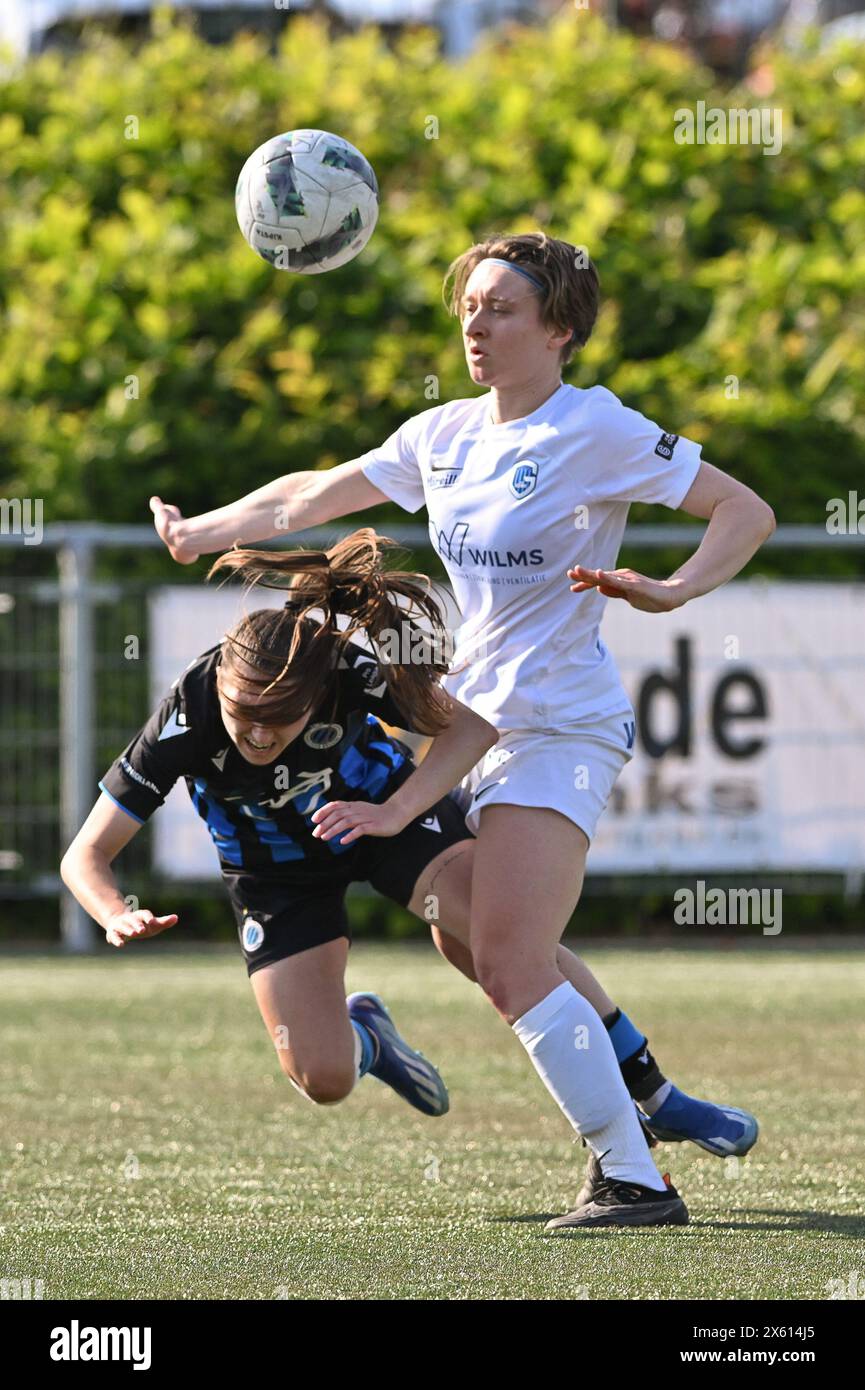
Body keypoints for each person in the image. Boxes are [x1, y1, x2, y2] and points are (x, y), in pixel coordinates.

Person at [149, 230, 775, 1230]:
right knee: (479, 946)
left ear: (559, 329)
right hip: (465, 726)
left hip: (556, 725)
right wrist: (205, 531)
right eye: (470, 305)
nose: (475, 324)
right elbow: (313, 495)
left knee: (513, 956)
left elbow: (743, 510)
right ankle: (650, 1096)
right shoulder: (444, 433)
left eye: (502, 309)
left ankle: (633, 1180)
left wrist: (670, 589)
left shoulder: (596, 428)